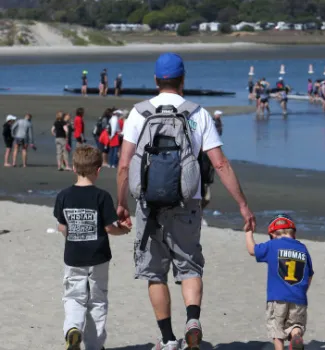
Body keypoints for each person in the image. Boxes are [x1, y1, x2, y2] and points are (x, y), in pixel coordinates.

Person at [117, 53, 255, 350]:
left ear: (156, 80)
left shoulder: (138, 113)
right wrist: (243, 204)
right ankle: (192, 319)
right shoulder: (197, 113)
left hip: (148, 205)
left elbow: (125, 165)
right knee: (189, 267)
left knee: (155, 273)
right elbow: (220, 164)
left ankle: (167, 339)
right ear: (183, 80)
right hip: (187, 203)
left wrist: (122, 204)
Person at [54, 145, 131, 350]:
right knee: (97, 301)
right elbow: (109, 228)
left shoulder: (63, 196)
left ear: (73, 168)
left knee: (73, 297)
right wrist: (123, 231)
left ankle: (72, 329)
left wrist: (68, 230)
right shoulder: (102, 196)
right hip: (98, 257)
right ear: (98, 170)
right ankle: (94, 345)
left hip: (73, 257)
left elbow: (62, 226)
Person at [245, 213, 314, 350]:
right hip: (298, 297)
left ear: (273, 234)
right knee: (296, 325)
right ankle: (296, 335)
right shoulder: (302, 248)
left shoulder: (273, 245)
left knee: (277, 330)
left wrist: (248, 232)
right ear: (293, 233)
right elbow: (309, 274)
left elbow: (252, 250)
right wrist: (303, 290)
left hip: (277, 297)